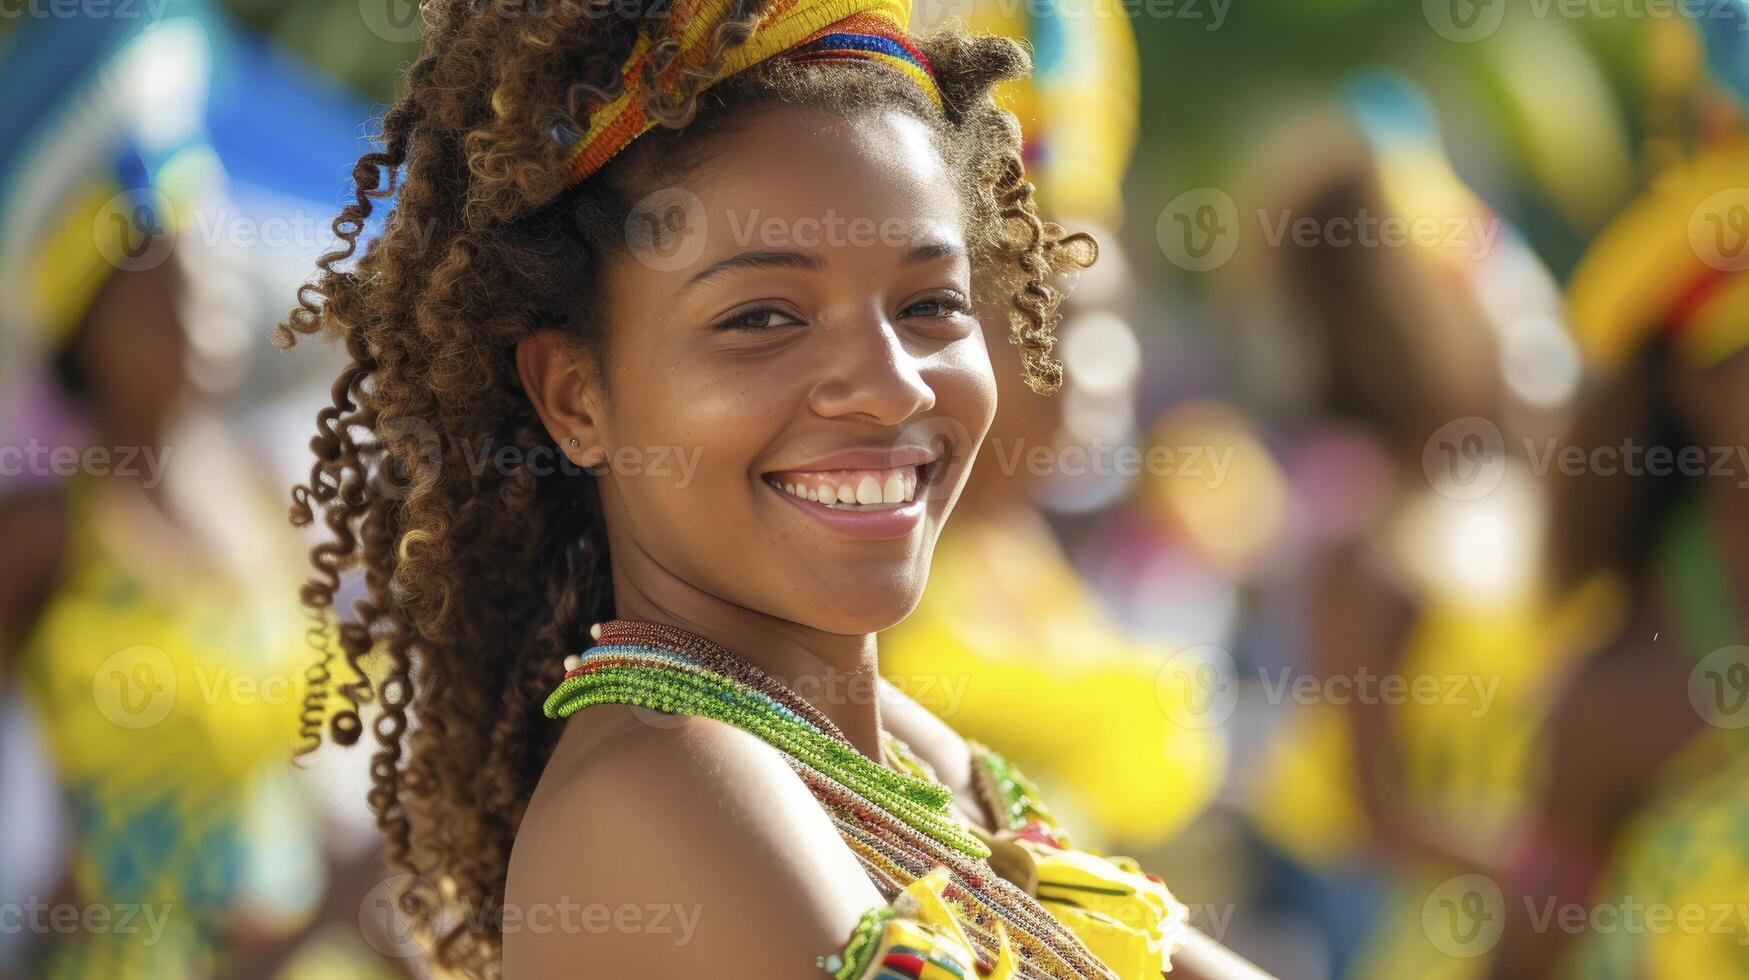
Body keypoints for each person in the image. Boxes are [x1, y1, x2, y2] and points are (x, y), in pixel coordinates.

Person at [276, 0, 1272, 976]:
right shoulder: (666, 780)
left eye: (930, 302)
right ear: (575, 396)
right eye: (762, 318)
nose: (890, 385)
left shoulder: (904, 749)